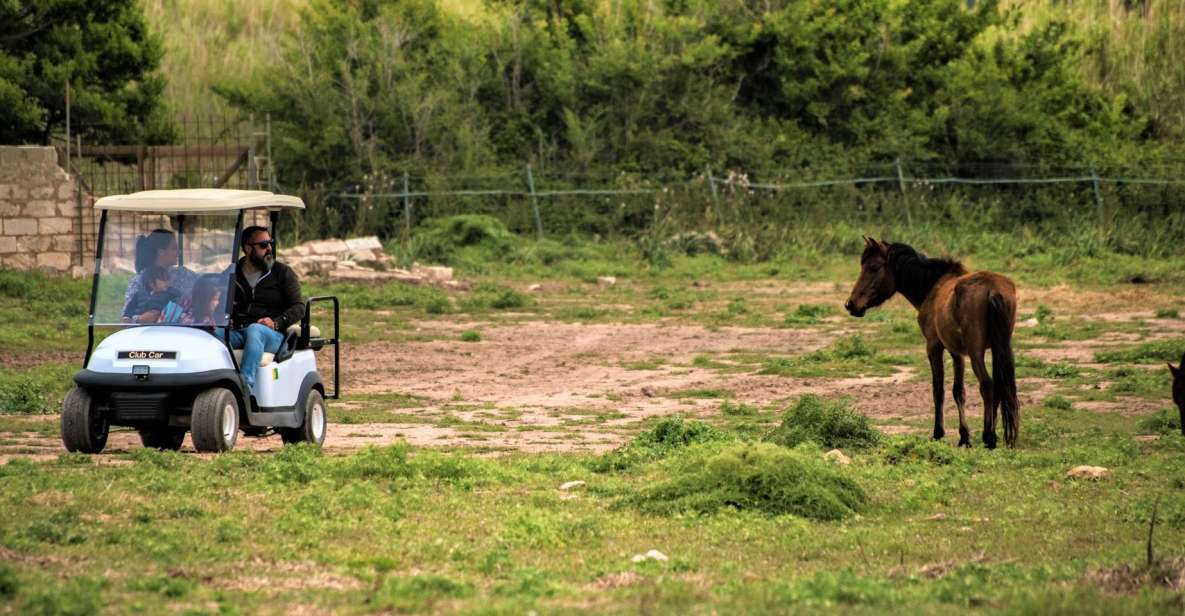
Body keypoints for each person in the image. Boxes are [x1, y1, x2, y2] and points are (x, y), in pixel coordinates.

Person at [229, 226, 305, 394]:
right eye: (263, 245)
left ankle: (243, 389)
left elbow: (299, 307)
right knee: (212, 335)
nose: (269, 248)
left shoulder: (282, 273)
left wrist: (276, 322)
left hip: (272, 334)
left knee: (256, 330)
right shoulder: (232, 274)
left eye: (270, 243)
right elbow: (219, 302)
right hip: (239, 331)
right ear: (248, 248)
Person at [121, 228, 199, 323]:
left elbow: (205, 284)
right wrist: (140, 319)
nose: (179, 252)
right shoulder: (139, 281)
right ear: (160, 251)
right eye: (174, 248)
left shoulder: (183, 274)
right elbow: (126, 317)